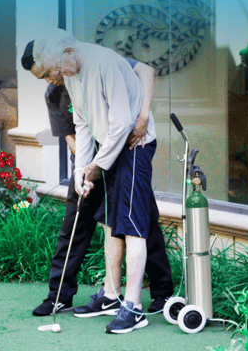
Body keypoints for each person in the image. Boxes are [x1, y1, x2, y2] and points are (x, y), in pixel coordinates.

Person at [23, 32, 172, 334]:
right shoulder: (71, 74)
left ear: (64, 54)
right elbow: (82, 125)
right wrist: (81, 172)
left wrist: (95, 166)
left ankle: (135, 306)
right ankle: (111, 295)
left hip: (133, 147)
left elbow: (121, 124)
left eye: (50, 72)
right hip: (111, 150)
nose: (53, 79)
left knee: (132, 225)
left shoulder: (104, 63)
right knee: (109, 223)